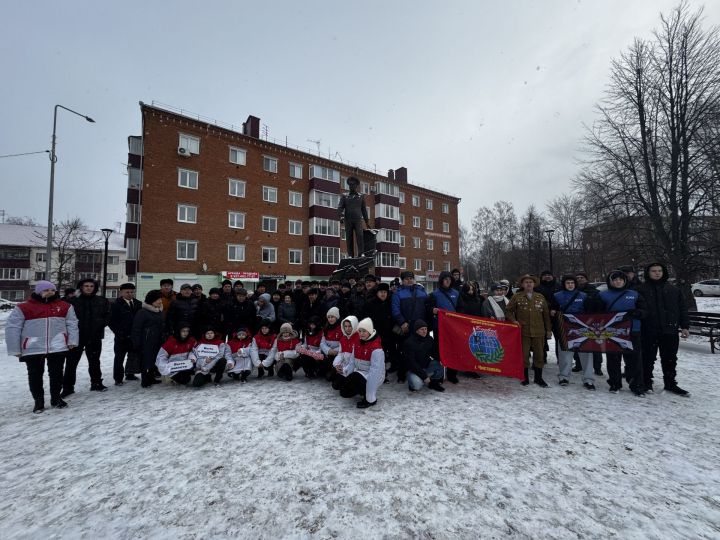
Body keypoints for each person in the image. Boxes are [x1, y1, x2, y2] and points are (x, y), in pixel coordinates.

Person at [6, 280, 79, 413]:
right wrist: (14, 348)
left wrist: (72, 341)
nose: (49, 292)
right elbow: (13, 328)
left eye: (52, 290)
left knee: (56, 374)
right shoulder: (23, 307)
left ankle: (56, 398)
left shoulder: (65, 306)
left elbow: (72, 324)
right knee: (35, 375)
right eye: (45, 290)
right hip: (33, 346)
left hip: (57, 345)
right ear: (38, 291)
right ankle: (38, 401)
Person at [637, 262, 690, 396]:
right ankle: (646, 383)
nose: (657, 273)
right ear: (648, 273)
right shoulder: (641, 290)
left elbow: (682, 309)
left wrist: (685, 326)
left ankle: (670, 383)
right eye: (653, 271)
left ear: (664, 272)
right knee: (648, 358)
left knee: (670, 358)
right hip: (649, 330)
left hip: (669, 330)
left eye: (659, 270)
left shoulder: (673, 289)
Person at [600, 270, 646, 396]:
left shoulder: (634, 294)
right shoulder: (603, 295)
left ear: (625, 281)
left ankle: (636, 385)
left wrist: (638, 313)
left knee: (634, 360)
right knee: (613, 360)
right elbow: (596, 312)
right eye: (615, 280)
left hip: (632, 331)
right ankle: (615, 384)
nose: (618, 281)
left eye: (620, 279)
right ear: (611, 282)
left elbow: (645, 310)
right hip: (612, 332)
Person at [63, 278, 110, 396]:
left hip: (94, 336)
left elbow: (108, 315)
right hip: (76, 337)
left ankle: (96, 383)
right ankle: (68, 387)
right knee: (71, 363)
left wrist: (100, 324)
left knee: (94, 361)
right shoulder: (72, 302)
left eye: (91, 286)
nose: (89, 288)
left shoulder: (101, 301)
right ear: (81, 287)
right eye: (86, 286)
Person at [506, 274, 552, 387]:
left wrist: (548, 330)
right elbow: (508, 311)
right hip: (523, 331)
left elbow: (546, 315)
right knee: (524, 355)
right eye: (526, 282)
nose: (528, 284)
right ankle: (525, 378)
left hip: (538, 331)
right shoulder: (517, 296)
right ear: (522, 284)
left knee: (539, 355)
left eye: (531, 282)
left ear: (534, 284)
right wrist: (513, 321)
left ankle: (538, 378)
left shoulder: (540, 297)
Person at [554, 275, 595, 390]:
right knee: (565, 354)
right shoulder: (557, 296)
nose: (570, 285)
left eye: (572, 282)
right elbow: (553, 309)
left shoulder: (583, 295)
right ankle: (564, 376)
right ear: (564, 284)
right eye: (568, 283)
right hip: (565, 329)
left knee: (586, 354)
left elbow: (589, 311)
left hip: (583, 329)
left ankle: (588, 379)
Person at [391, 270, 428, 383]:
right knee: (405, 351)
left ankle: (418, 371)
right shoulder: (398, 293)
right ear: (402, 281)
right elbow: (395, 310)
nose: (409, 280)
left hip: (419, 327)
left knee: (419, 351)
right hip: (406, 328)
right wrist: (402, 322)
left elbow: (427, 307)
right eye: (406, 278)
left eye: (411, 278)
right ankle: (402, 374)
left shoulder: (421, 291)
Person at [340, 318, 385, 408]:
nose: (361, 334)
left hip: (373, 376)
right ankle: (360, 389)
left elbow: (375, 373)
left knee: (355, 377)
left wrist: (370, 398)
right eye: (360, 331)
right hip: (360, 372)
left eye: (364, 331)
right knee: (344, 392)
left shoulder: (376, 349)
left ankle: (368, 397)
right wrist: (347, 379)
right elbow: (352, 362)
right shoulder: (357, 343)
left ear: (370, 331)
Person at [428, 271, 460, 383]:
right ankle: (439, 374)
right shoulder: (434, 294)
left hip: (453, 328)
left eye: (449, 279)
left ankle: (452, 374)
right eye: (445, 279)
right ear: (441, 281)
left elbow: (461, 309)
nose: (447, 281)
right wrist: (432, 310)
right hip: (439, 328)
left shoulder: (456, 293)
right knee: (439, 351)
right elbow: (428, 308)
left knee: (453, 350)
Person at [108, 282, 142, 385]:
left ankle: (130, 373)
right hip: (121, 337)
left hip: (134, 336)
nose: (130, 294)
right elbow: (111, 321)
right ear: (121, 292)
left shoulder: (138, 303)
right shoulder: (115, 304)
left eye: (132, 292)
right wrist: (119, 333)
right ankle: (118, 378)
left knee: (132, 356)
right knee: (119, 358)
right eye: (127, 292)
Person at [131, 290, 166, 388]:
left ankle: (151, 377)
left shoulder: (160, 311)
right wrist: (136, 343)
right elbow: (136, 328)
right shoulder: (142, 312)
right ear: (151, 301)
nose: (160, 301)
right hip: (146, 341)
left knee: (153, 360)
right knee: (145, 361)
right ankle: (145, 380)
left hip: (158, 340)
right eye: (157, 300)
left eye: (160, 299)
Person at [404, 320, 445, 392]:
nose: (424, 331)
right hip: (413, 370)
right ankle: (412, 384)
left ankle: (433, 383)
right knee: (417, 385)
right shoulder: (409, 342)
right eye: (422, 329)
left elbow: (434, 353)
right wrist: (424, 376)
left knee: (440, 365)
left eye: (425, 329)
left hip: (426, 366)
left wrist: (443, 360)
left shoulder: (429, 339)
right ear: (416, 330)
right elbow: (412, 363)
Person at [338, 176, 370, 257]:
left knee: (360, 236)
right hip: (348, 220)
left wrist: (367, 221)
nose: (351, 186)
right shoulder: (344, 196)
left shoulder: (361, 196)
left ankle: (361, 253)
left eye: (353, 185)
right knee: (349, 237)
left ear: (356, 186)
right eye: (350, 185)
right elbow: (340, 207)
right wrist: (341, 216)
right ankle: (350, 255)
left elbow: (364, 210)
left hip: (358, 220)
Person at [332, 315, 359, 390]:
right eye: (345, 326)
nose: (347, 328)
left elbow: (354, 360)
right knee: (335, 385)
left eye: (350, 326)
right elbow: (340, 354)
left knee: (345, 389)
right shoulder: (343, 338)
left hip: (355, 368)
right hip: (345, 366)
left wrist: (344, 370)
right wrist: (337, 365)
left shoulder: (359, 339)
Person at [321, 308, 344, 380]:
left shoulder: (342, 328)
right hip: (328, 353)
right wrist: (328, 350)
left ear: (337, 317)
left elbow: (343, 343)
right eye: (329, 317)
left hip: (338, 353)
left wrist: (335, 351)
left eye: (332, 317)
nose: (330, 319)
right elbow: (322, 342)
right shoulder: (326, 328)